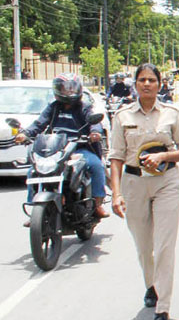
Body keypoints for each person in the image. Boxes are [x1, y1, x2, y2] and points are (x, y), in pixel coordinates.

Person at [108, 63, 179, 320]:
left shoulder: (172, 114)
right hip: (134, 183)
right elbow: (116, 157)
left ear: (160, 84)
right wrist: (116, 193)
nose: (147, 84)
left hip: (166, 182)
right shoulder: (122, 116)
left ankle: (163, 309)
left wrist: (163, 157)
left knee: (164, 246)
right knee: (144, 246)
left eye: (152, 80)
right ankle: (151, 285)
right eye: (142, 80)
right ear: (135, 84)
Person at [16, 73, 109, 224]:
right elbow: (39, 123)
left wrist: (95, 132)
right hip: (56, 150)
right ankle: (35, 210)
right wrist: (25, 133)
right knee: (33, 171)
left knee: (96, 165)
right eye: (64, 89)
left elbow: (94, 122)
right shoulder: (53, 107)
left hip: (80, 148)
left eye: (71, 88)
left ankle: (97, 204)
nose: (68, 92)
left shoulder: (84, 107)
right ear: (57, 90)